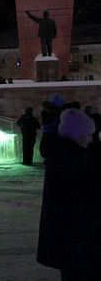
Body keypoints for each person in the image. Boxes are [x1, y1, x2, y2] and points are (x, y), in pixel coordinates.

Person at [37, 108, 101, 279]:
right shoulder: (63, 160)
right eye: (87, 135)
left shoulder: (79, 154)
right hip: (73, 234)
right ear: (76, 136)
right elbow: (78, 196)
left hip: (80, 234)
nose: (90, 139)